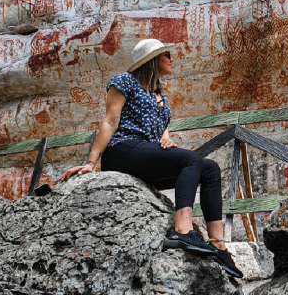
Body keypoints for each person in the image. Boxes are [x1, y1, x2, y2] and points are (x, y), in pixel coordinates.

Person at [60, 38, 243, 278]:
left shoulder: (158, 94)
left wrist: (166, 139)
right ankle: (183, 230)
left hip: (143, 153)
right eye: (166, 55)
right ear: (153, 60)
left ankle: (218, 244)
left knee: (209, 168)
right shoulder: (124, 82)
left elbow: (161, 128)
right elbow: (109, 121)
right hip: (121, 150)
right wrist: (92, 163)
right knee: (192, 160)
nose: (171, 59)